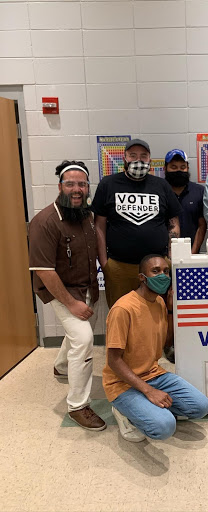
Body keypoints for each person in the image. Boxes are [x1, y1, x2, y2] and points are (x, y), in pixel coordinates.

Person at [29, 160, 106, 431]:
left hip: (88, 287)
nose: (77, 189)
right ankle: (77, 406)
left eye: (82, 184)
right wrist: (72, 304)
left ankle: (61, 366)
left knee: (77, 335)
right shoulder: (44, 222)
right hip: (62, 291)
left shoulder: (86, 214)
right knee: (84, 339)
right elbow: (44, 272)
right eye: (70, 184)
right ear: (60, 186)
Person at [103, 254, 208, 442]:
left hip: (154, 374)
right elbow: (113, 360)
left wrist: (170, 310)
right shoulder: (123, 309)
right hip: (122, 383)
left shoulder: (159, 302)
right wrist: (148, 391)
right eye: (156, 271)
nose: (163, 276)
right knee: (165, 427)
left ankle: (145, 407)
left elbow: (166, 343)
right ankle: (122, 410)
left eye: (166, 271)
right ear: (141, 278)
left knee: (201, 407)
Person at [92, 139, 182, 308]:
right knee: (121, 314)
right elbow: (99, 225)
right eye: (132, 155)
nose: (138, 160)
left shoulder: (161, 185)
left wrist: (170, 259)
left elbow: (173, 223)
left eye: (143, 156)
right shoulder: (108, 184)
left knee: (157, 315)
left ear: (150, 159)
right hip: (119, 267)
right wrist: (105, 264)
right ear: (124, 158)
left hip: (156, 268)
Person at [164, 149, 207, 254]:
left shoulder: (199, 191)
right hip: (163, 256)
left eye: (182, 167)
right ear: (165, 168)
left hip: (191, 253)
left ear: (187, 168)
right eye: (173, 167)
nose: (178, 171)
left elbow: (202, 225)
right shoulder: (158, 190)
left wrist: (192, 254)